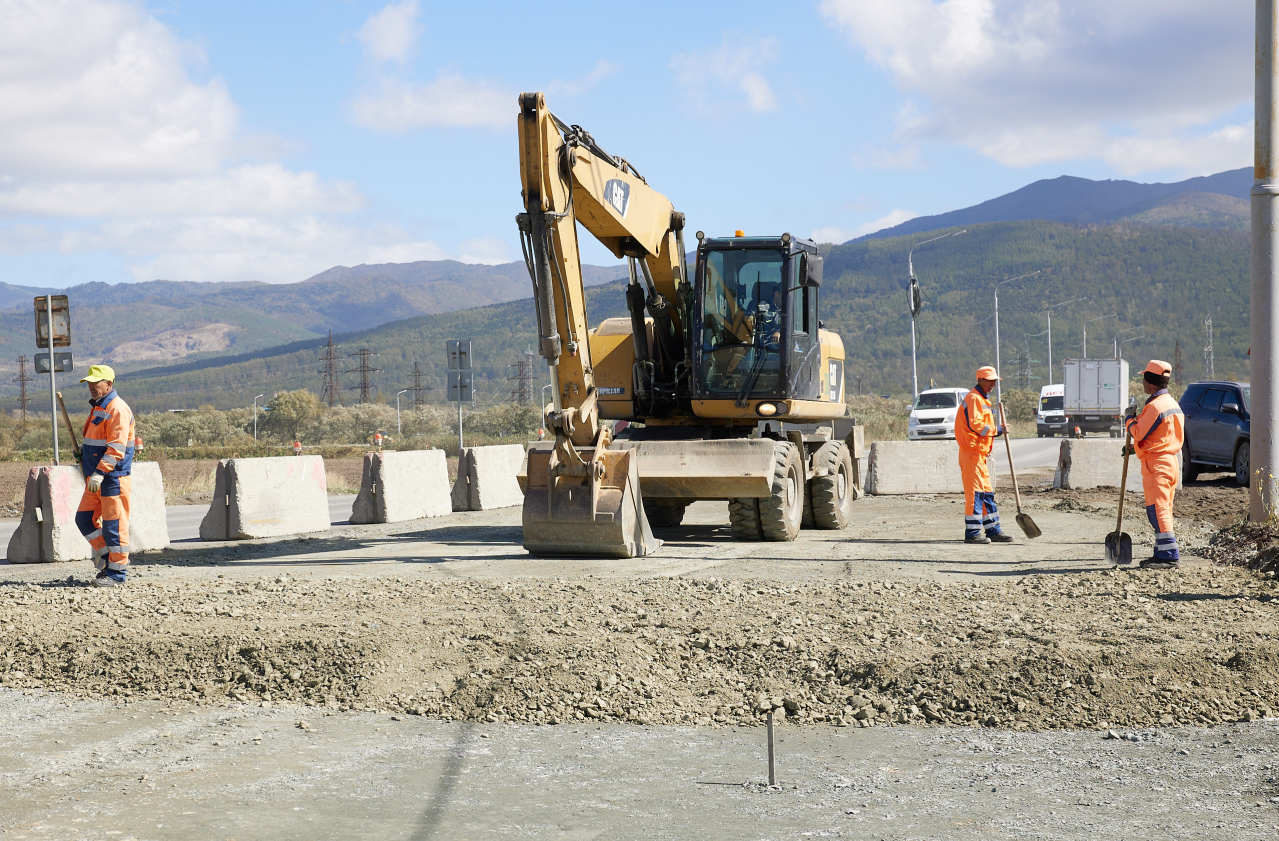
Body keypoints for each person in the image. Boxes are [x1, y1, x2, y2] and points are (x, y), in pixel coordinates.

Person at [74, 364, 136, 587]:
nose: (91, 387)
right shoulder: (99, 407)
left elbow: (116, 449)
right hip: (95, 478)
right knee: (84, 519)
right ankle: (108, 559)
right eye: (89, 383)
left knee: (114, 526)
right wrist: (82, 455)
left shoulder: (117, 409)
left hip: (112, 479)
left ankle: (117, 574)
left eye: (95, 383)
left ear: (108, 384)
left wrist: (100, 472)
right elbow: (95, 442)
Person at [1124, 360, 1185, 569]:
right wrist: (1135, 449)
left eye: (1144, 379)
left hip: (1157, 464)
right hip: (1169, 462)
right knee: (1164, 508)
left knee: (1157, 510)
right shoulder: (1172, 404)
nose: (1142, 383)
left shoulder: (1155, 407)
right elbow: (1161, 437)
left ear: (1150, 383)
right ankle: (1161, 552)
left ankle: (1168, 555)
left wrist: (1129, 420)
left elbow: (1139, 432)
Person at [954, 366, 1013, 544]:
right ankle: (972, 533)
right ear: (980, 380)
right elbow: (976, 425)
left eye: (994, 381)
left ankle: (993, 530)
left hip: (979, 454)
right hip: (971, 453)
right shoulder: (974, 399)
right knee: (976, 493)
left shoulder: (982, 400)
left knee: (987, 493)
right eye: (989, 380)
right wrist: (998, 430)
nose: (992, 384)